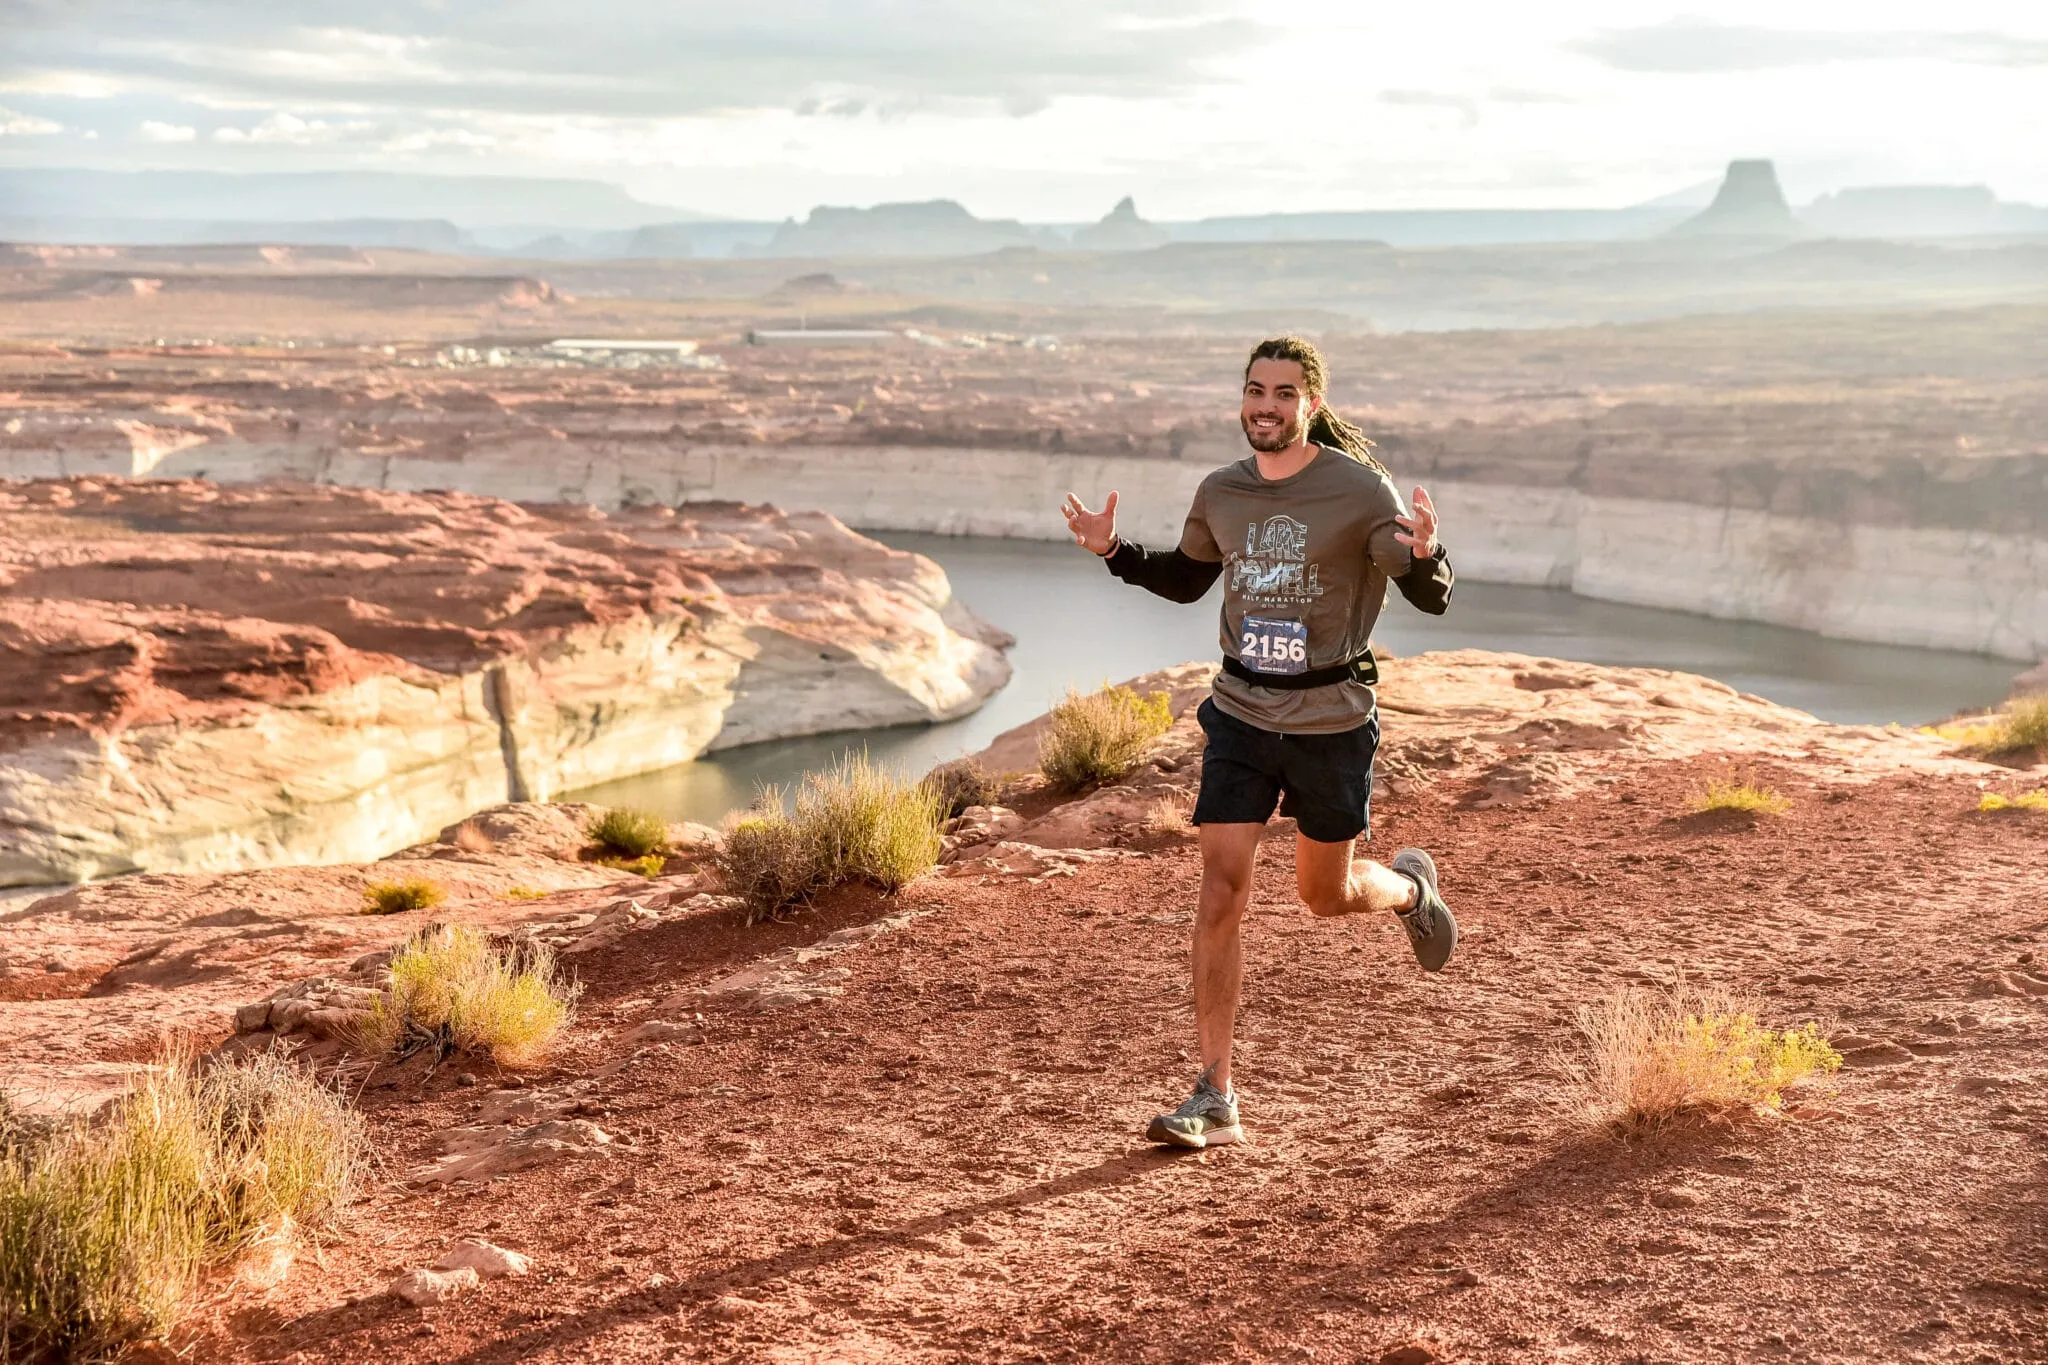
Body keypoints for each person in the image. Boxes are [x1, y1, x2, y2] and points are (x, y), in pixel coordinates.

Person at [1059, 335, 1457, 1150]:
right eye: (1254, 390)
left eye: (1283, 392)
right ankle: (1215, 1092)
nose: (1265, 406)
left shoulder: (1355, 487)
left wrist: (1425, 554)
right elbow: (1188, 576)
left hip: (1330, 721)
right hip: (1240, 710)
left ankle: (1412, 892)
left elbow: (1424, 585)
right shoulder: (1224, 490)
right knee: (1220, 890)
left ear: (1311, 403)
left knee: (1324, 894)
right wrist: (1112, 551)